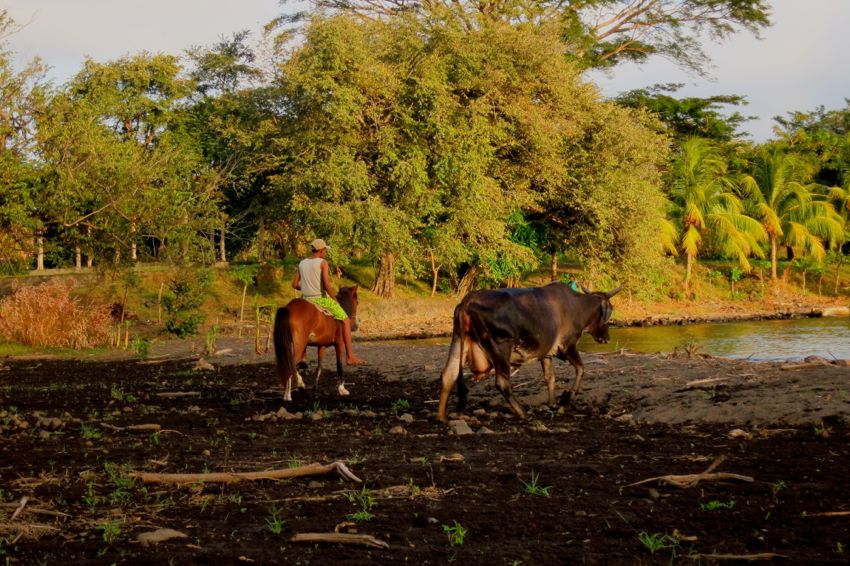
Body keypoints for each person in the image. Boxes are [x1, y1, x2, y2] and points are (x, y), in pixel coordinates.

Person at [292, 238, 366, 365]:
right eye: (325, 250)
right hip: (321, 298)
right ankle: (350, 356)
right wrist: (335, 300)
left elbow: (294, 284)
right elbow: (326, 284)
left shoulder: (302, 263)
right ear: (321, 251)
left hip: (305, 299)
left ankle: (303, 356)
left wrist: (305, 287)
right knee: (346, 320)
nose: (325, 252)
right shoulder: (323, 263)